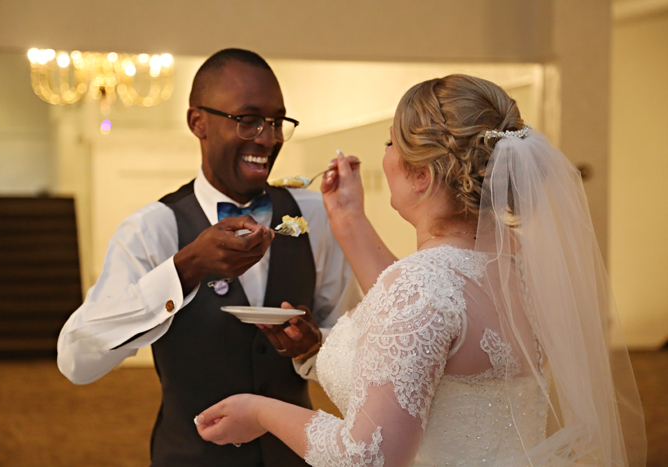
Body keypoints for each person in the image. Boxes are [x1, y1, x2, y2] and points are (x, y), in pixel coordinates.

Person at [193, 74, 646, 466]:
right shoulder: (521, 267)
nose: (384, 155)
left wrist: (260, 412)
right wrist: (347, 221)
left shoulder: (421, 287)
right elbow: (427, 321)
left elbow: (367, 456)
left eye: (390, 142)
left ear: (420, 176)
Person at [57, 48, 361, 467]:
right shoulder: (151, 229)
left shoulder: (313, 217)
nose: (268, 138)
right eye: (248, 119)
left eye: (277, 122)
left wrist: (314, 348)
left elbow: (352, 341)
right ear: (197, 122)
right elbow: (77, 360)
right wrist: (186, 269)